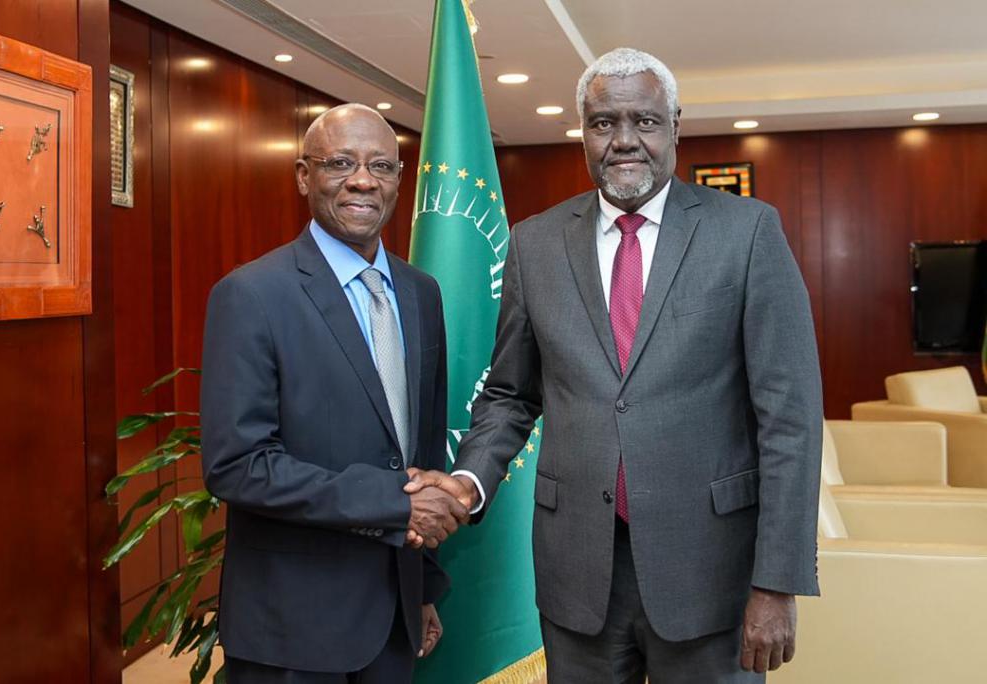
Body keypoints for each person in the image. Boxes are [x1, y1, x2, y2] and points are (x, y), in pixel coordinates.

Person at [406, 48, 823, 683]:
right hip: (578, 575)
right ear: (583, 131)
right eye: (604, 123)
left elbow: (790, 421)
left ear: (674, 126)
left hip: (711, 574)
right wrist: (468, 481)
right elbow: (512, 393)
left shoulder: (747, 233)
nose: (624, 140)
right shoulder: (535, 243)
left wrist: (777, 581)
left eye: (645, 121)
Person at [201, 103, 468, 683]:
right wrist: (393, 502)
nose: (363, 181)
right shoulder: (250, 295)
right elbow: (238, 466)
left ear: (399, 179)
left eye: (381, 166)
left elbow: (421, 450)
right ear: (304, 176)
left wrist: (424, 585)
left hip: (395, 616)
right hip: (293, 628)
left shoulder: (422, 293)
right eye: (340, 163)